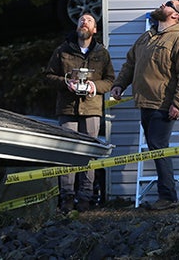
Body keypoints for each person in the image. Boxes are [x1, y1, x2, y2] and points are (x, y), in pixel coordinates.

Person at [110, 0, 179, 211]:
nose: (163, 5)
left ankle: (168, 197)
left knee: (158, 148)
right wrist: (120, 84)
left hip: (163, 104)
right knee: (155, 148)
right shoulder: (146, 37)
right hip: (145, 103)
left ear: (176, 15)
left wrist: (178, 102)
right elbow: (130, 64)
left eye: (169, 4)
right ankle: (167, 194)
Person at [44, 12, 115, 213]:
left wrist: (93, 86)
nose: (84, 22)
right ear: (77, 27)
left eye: (89, 20)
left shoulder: (102, 53)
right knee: (67, 151)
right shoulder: (62, 50)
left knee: (88, 153)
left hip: (92, 109)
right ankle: (66, 197)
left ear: (94, 30)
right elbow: (48, 76)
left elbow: (110, 80)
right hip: (67, 109)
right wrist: (67, 83)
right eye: (81, 20)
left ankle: (85, 198)